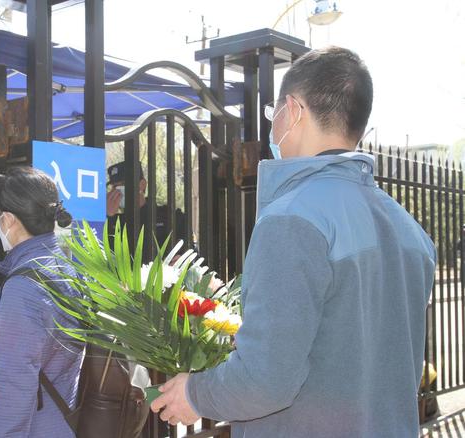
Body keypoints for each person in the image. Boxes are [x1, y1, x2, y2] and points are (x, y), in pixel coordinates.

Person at [151, 46, 436, 437]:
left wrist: (194, 394)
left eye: (274, 113)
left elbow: (265, 379)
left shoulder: (291, 218)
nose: (273, 124)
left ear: (294, 110)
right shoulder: (410, 230)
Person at [0, 167, 85, 437]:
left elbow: (13, 388)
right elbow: (15, 327)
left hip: (39, 428)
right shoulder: (65, 265)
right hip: (67, 421)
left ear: (9, 220)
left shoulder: (23, 287)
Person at [106, 161, 188, 252]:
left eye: (124, 184)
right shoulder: (114, 221)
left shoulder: (171, 217)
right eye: (115, 187)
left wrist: (180, 256)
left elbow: (190, 249)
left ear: (142, 184)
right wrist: (109, 217)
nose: (118, 191)